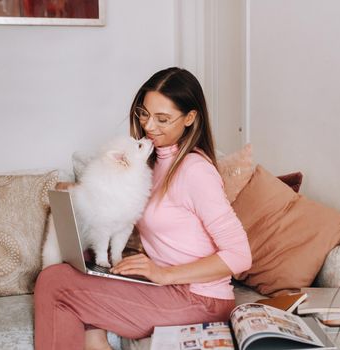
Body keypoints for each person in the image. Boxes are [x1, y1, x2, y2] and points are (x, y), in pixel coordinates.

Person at [34, 67, 252, 349]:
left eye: (162, 118)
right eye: (144, 113)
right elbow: (117, 203)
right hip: (165, 289)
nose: (149, 126)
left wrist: (165, 274)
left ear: (190, 118)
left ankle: (93, 339)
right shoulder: (153, 163)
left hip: (200, 300)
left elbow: (240, 255)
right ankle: (94, 340)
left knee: (54, 284)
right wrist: (80, 194)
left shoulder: (196, 172)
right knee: (68, 270)